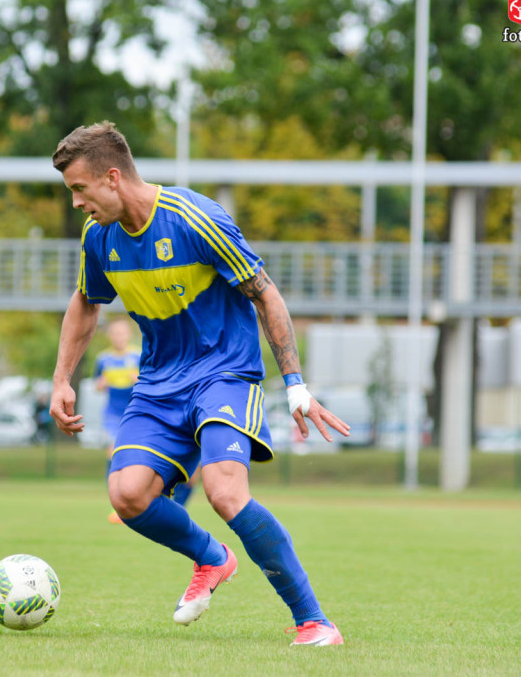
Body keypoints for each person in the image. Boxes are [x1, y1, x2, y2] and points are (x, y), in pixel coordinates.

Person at [49, 121, 351, 647]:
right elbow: (85, 301)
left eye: (79, 189)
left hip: (224, 374)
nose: (76, 203)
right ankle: (213, 558)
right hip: (159, 382)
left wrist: (295, 384)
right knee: (127, 495)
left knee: (224, 492)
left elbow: (264, 292)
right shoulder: (99, 236)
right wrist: (61, 378)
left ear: (113, 178)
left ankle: (314, 621)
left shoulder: (195, 218)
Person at [93, 318, 141, 524]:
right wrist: (100, 384)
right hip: (112, 415)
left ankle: (138, 502)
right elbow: (97, 384)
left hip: (135, 413)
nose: (118, 337)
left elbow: (151, 382)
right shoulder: (103, 359)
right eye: (115, 333)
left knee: (137, 457)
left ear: (128, 334)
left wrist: (137, 381)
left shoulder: (138, 356)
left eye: (122, 333)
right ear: (110, 336)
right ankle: (117, 505)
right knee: (113, 453)